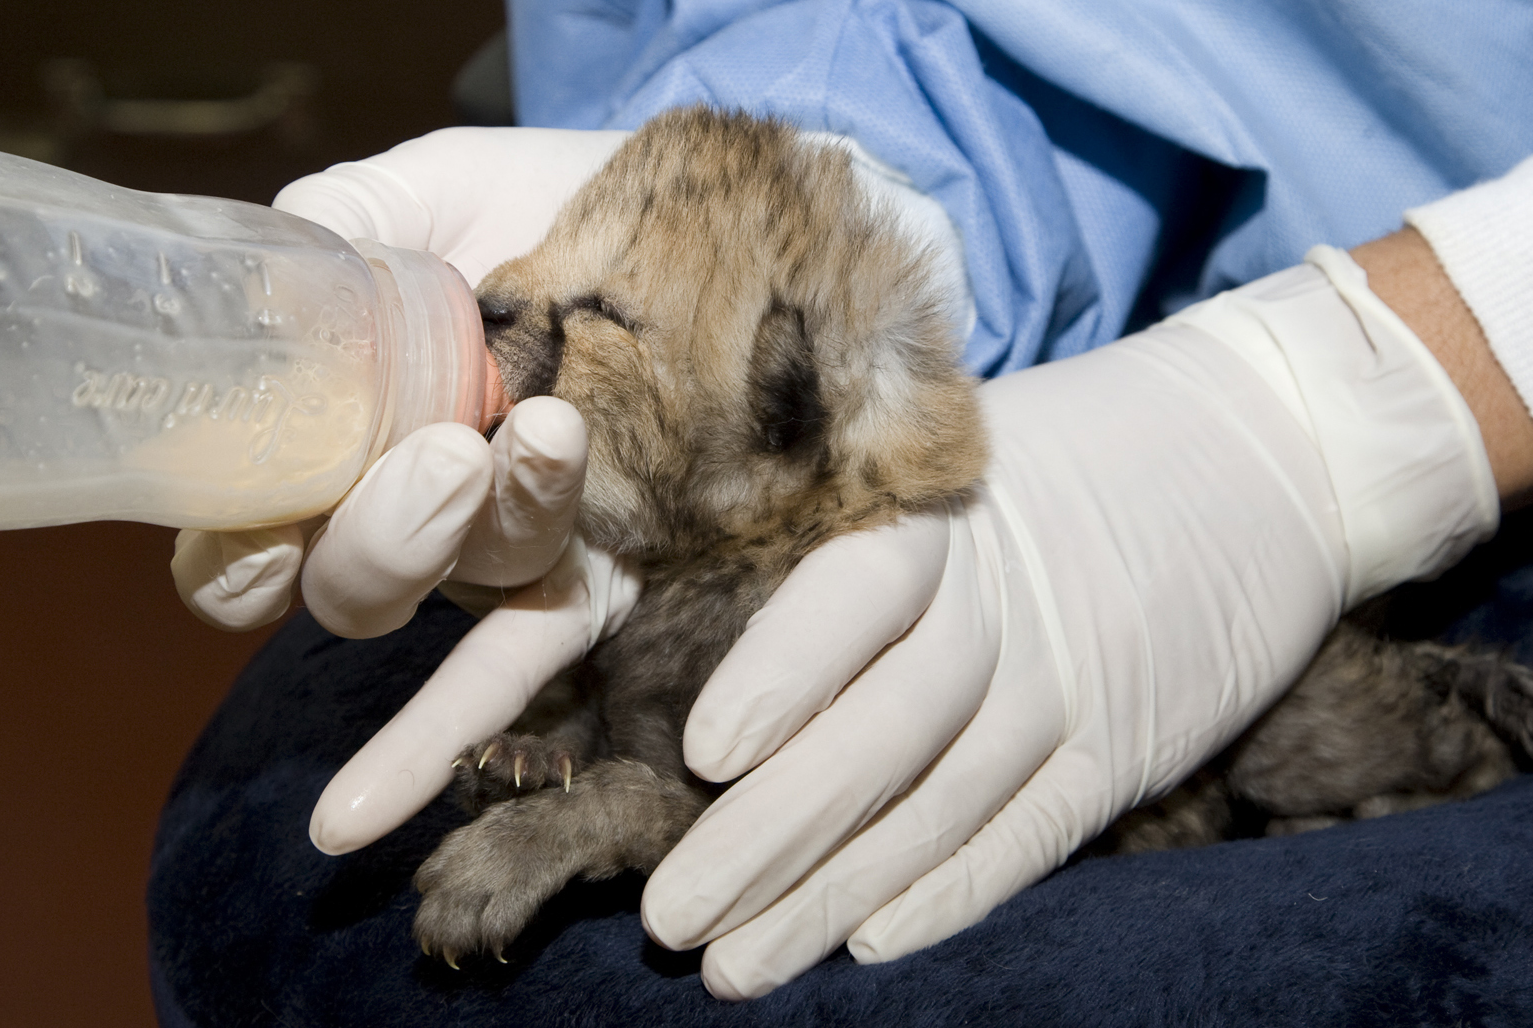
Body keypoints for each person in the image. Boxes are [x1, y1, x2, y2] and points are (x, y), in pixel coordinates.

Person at [166, 0, 1533, 1002]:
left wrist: (1362, 397)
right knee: (270, 870)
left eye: (604, 309)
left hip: (1424, 354)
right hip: (1030, 246)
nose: (508, 299)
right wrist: (865, 165)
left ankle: (1461, 719)